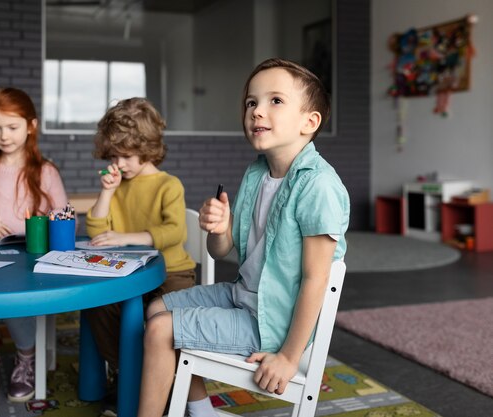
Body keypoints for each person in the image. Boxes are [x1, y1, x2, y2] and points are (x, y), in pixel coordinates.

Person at [137, 58, 350, 417]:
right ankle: (202, 411)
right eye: (251, 102)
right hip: (242, 295)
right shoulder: (256, 173)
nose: (257, 111)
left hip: (272, 320)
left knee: (160, 330)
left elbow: (318, 278)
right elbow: (221, 250)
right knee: (155, 309)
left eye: (275, 101)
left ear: (309, 122)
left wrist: (287, 357)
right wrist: (219, 229)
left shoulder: (318, 185)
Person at [85, 97, 196, 416]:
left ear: (148, 148)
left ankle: (160, 385)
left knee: (157, 321)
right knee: (98, 305)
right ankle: (127, 374)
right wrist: (106, 193)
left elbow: (175, 232)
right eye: (114, 156)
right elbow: (96, 232)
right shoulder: (117, 183)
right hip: (128, 275)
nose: (119, 164)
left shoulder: (168, 185)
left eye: (127, 156)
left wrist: (126, 237)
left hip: (172, 273)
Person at [0, 87, 68, 403]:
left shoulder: (45, 172)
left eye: (12, 126)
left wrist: (50, 220)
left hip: (30, 262)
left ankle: (26, 358)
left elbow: (62, 214)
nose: (3, 136)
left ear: (31, 125)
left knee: (20, 300)